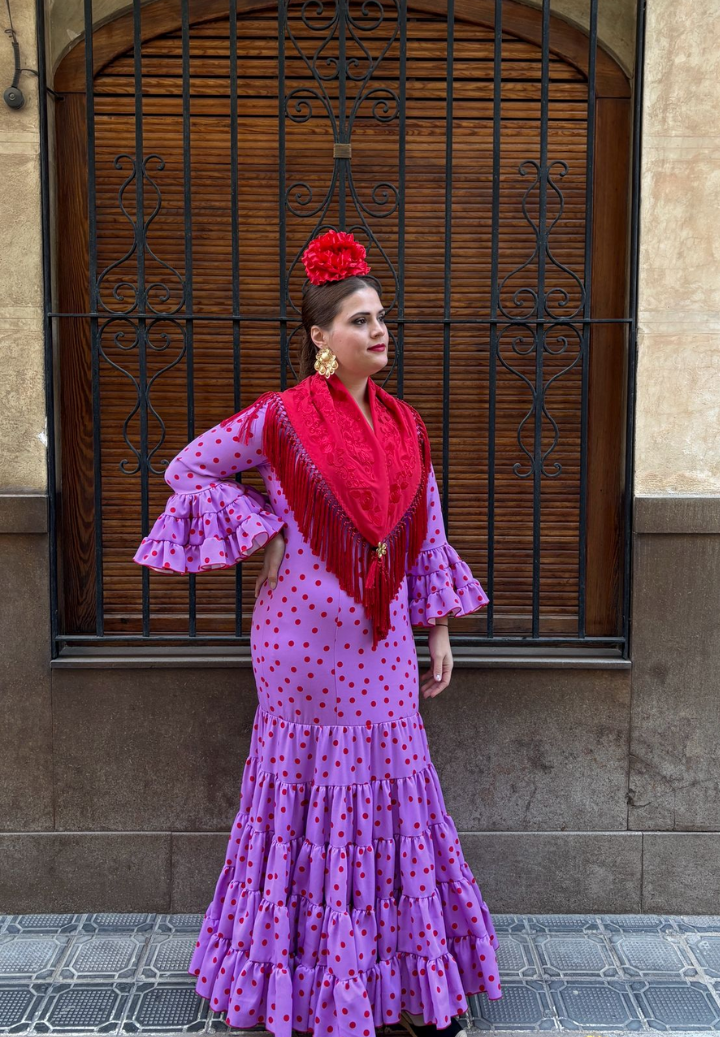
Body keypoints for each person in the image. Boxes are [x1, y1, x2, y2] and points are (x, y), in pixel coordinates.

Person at [133, 230, 502, 1037]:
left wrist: (434, 628)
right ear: (319, 338)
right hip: (299, 647)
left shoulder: (407, 427)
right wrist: (260, 525)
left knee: (394, 796)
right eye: (359, 320)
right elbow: (186, 469)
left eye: (380, 318)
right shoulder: (279, 420)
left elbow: (425, 532)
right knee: (308, 802)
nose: (378, 332)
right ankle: (302, 987)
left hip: (382, 644)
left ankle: (402, 991)